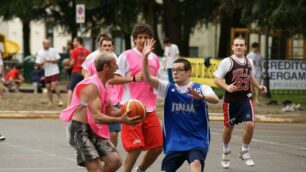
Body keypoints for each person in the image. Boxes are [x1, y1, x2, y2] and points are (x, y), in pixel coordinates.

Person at [142, 39, 219, 172]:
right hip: (175, 142)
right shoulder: (167, 88)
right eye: (173, 70)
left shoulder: (201, 88)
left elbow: (215, 99)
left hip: (196, 140)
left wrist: (201, 97)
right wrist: (144, 57)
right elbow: (148, 78)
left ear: (188, 72)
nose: (175, 73)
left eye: (179, 70)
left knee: (196, 163)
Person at [60, 51, 141, 171]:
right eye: (115, 64)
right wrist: (122, 120)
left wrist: (130, 108)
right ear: (106, 67)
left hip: (94, 129)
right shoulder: (91, 86)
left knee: (115, 161)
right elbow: (97, 117)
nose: (118, 67)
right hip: (79, 130)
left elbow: (112, 111)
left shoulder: (104, 85)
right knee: (96, 169)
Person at [109, 23, 163, 172]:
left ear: (151, 40)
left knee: (158, 146)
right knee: (136, 147)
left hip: (149, 109)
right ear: (134, 39)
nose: (142, 40)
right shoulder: (126, 56)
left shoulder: (155, 59)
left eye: (146, 37)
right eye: (139, 37)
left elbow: (159, 82)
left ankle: (140, 170)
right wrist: (132, 78)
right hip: (131, 106)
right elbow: (112, 79)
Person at [213, 37, 267, 169]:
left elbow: (250, 77)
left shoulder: (249, 62)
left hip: (246, 98)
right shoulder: (227, 62)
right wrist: (226, 87)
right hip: (231, 101)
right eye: (236, 45)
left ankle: (245, 151)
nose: (238, 47)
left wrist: (259, 86)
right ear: (232, 47)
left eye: (241, 45)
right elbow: (216, 79)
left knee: (250, 124)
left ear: (245, 47)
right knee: (228, 128)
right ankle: (226, 151)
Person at [82, 36, 123, 147]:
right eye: (104, 45)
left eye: (109, 46)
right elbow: (84, 70)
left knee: (114, 133)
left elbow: (116, 78)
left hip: (113, 99)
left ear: (113, 47)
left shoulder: (116, 59)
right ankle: (102, 154)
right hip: (97, 99)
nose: (107, 48)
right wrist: (87, 79)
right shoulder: (93, 58)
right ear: (100, 47)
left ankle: (111, 154)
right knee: (98, 132)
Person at [36, 39, 64, 106]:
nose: (48, 45)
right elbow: (38, 64)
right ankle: (50, 102)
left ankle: (60, 100)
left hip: (54, 70)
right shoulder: (40, 53)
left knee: (54, 85)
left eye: (49, 43)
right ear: (43, 44)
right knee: (48, 87)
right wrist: (43, 62)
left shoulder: (53, 50)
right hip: (47, 72)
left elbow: (58, 60)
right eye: (47, 43)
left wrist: (50, 61)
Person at [66, 37, 90, 105]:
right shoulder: (87, 51)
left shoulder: (74, 50)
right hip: (84, 73)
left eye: (74, 41)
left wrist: (68, 66)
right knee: (83, 89)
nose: (73, 43)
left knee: (71, 88)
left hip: (76, 72)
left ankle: (69, 104)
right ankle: (82, 104)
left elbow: (72, 63)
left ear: (78, 42)